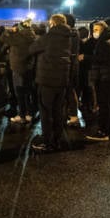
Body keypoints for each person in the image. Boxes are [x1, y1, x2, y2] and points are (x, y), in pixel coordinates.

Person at [29, 14, 71, 152]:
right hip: (62, 80)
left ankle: (47, 142)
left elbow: (32, 49)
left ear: (52, 23)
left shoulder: (48, 37)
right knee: (58, 111)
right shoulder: (69, 37)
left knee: (46, 112)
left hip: (47, 80)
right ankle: (57, 140)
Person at [85, 21, 110, 141]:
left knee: (104, 104)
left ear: (103, 30)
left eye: (96, 30)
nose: (94, 32)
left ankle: (103, 131)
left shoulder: (104, 42)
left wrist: (85, 57)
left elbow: (101, 59)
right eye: (93, 29)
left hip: (105, 77)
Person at [1, 19, 36, 122]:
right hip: (28, 67)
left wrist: (11, 31)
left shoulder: (19, 37)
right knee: (28, 92)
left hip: (18, 67)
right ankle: (29, 114)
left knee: (19, 93)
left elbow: (3, 38)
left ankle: (21, 116)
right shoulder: (32, 36)